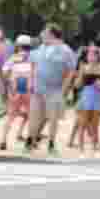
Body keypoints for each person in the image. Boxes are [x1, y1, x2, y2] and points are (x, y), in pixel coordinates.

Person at [25, 24, 77, 156]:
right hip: (38, 88)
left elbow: (71, 70)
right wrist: (30, 81)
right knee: (34, 115)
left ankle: (51, 144)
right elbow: (32, 64)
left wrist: (64, 89)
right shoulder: (40, 48)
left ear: (52, 35)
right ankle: (30, 140)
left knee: (53, 117)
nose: (42, 35)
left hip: (54, 89)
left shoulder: (65, 51)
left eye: (44, 33)